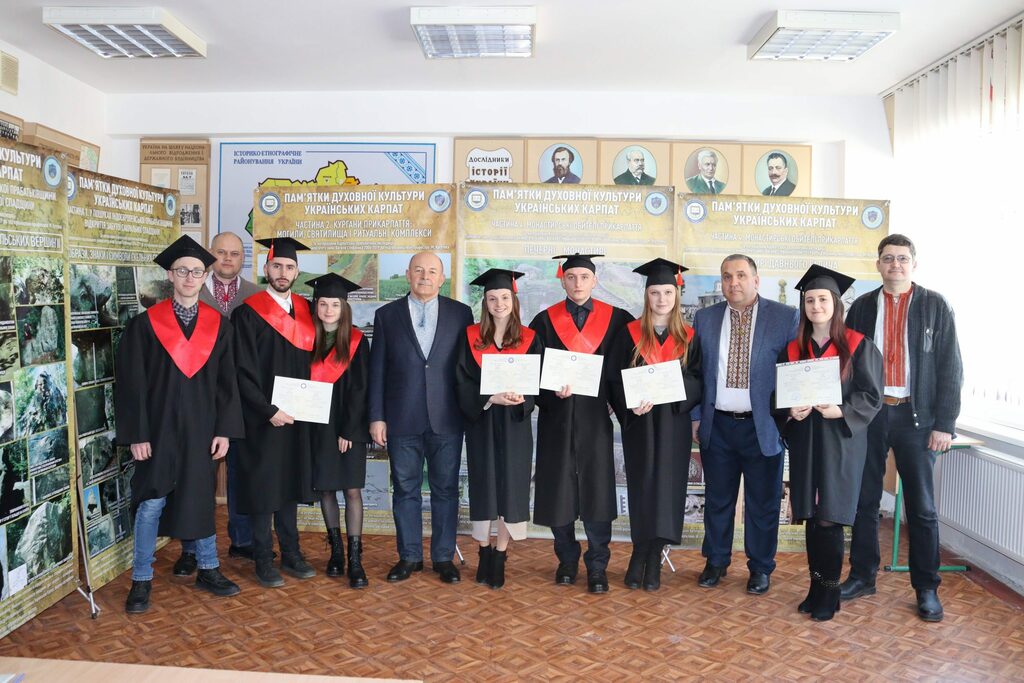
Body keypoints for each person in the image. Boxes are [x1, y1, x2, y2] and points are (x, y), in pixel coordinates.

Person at [116, 235, 244, 614]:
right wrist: (137, 434)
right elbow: (132, 385)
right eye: (182, 271)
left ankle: (209, 568)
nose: (190, 278)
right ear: (170, 275)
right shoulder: (144, 326)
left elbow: (227, 384)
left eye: (196, 272)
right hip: (157, 431)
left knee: (200, 498)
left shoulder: (219, 327)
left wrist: (224, 430)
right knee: (151, 502)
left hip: (201, 429)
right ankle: (141, 578)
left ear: (205, 277)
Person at [840, 234, 963, 623]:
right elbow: (846, 364)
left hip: (916, 419)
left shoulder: (935, 306)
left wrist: (945, 424)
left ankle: (926, 587)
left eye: (902, 258)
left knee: (922, 508)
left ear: (914, 264)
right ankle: (862, 576)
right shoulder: (861, 307)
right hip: (870, 415)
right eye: (888, 258)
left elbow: (951, 367)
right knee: (864, 501)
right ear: (878, 264)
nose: (895, 264)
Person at [774, 265, 882, 621]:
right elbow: (779, 395)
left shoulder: (857, 345)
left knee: (829, 519)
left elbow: (871, 396)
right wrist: (790, 410)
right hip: (806, 441)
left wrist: (842, 410)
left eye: (822, 299)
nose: (816, 306)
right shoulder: (793, 349)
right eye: (810, 300)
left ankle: (830, 595)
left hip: (840, 443)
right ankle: (815, 588)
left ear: (836, 304)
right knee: (811, 515)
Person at [691, 254, 798, 595]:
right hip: (718, 426)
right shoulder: (705, 318)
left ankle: (761, 567)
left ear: (756, 280)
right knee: (718, 500)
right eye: (727, 276)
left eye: (740, 275)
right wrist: (696, 416)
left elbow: (793, 370)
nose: (733, 282)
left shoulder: (785, 317)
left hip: (763, 427)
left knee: (763, 503)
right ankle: (716, 561)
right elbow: (695, 372)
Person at [529, 254, 633, 593]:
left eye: (584, 277)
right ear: (562, 280)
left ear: (594, 280)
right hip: (556, 419)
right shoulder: (544, 321)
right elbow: (532, 371)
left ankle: (598, 565)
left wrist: (619, 401)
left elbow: (626, 369)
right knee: (557, 490)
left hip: (595, 421)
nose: (577, 283)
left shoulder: (617, 320)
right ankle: (566, 560)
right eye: (571, 277)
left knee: (597, 492)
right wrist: (549, 392)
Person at [369, 252, 473, 584]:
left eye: (431, 271)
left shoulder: (461, 314)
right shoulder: (386, 316)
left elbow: (468, 368)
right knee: (405, 489)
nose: (425, 276)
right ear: (407, 274)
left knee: (446, 490)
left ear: (442, 278)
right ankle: (409, 556)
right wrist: (376, 417)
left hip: (447, 417)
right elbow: (377, 370)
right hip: (401, 418)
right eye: (418, 270)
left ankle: (443, 557)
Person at [608, 258, 702, 591]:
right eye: (655, 293)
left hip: (673, 425)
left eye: (667, 292)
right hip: (640, 424)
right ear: (646, 296)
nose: (661, 299)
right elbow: (614, 378)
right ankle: (639, 552)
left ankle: (655, 558)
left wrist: (674, 389)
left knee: (668, 489)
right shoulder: (629, 334)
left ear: (676, 295)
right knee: (642, 486)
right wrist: (630, 402)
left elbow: (697, 379)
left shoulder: (689, 337)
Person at [175, 231, 263, 581]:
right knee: (196, 477)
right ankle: (190, 548)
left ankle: (242, 540)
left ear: (244, 258)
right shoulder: (190, 290)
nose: (228, 259)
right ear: (210, 255)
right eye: (221, 252)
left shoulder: (256, 296)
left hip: (245, 401)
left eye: (235, 253)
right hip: (200, 402)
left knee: (243, 473)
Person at [232, 237, 317, 588]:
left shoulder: (307, 311)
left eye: (289, 267)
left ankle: (292, 553)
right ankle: (264, 558)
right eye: (277, 266)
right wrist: (268, 409)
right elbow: (241, 370)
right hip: (263, 418)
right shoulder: (248, 313)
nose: (283, 272)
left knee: (290, 484)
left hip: (298, 416)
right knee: (264, 488)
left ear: (297, 272)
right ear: (266, 269)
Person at [455, 269, 543, 589]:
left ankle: (501, 553)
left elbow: (536, 383)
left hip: (515, 425)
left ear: (513, 300)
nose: (499, 303)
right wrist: (490, 397)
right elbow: (460, 380)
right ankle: (483, 550)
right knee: (484, 485)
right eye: (492, 298)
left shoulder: (530, 338)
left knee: (511, 487)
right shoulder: (469, 337)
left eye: (505, 297)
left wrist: (521, 398)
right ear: (485, 303)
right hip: (483, 421)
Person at [307, 273, 371, 589]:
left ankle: (355, 560)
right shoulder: (306, 339)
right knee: (326, 489)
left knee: (352, 490)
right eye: (323, 304)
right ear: (316, 306)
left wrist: (348, 430)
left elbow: (361, 389)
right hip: (317, 425)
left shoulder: (357, 341)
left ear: (344, 308)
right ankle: (336, 552)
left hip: (349, 426)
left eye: (335, 304)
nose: (329, 310)